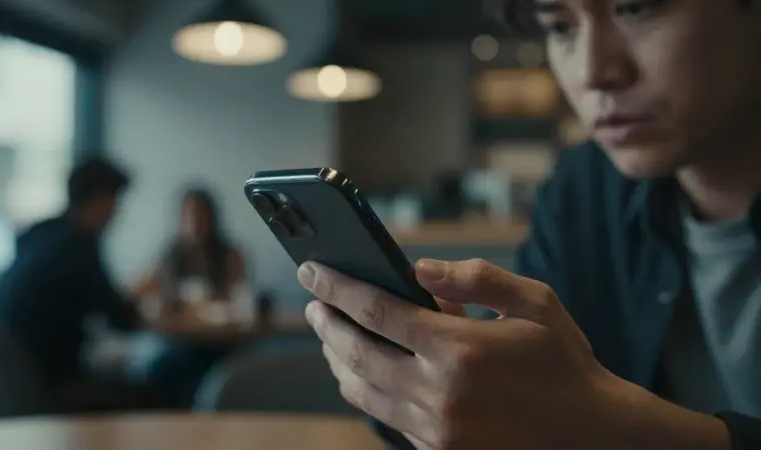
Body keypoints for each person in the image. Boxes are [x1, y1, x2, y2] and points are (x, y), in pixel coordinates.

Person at [296, 1, 761, 449]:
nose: (593, 72)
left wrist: (620, 432)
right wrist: (431, 394)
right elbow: (528, 405)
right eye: (560, 27)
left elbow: (583, 424)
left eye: (636, 8)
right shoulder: (586, 189)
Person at [0, 158, 139, 388]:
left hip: (1, 374)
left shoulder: (40, 234)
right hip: (46, 379)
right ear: (99, 200)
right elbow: (121, 320)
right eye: (114, 202)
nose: (116, 213)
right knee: (149, 391)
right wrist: (137, 293)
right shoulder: (78, 247)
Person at [133, 187, 246, 407]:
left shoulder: (228, 256)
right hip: (179, 341)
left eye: (200, 214)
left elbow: (239, 297)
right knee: (162, 371)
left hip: (220, 342)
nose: (194, 222)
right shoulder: (170, 255)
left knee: (201, 376)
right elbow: (140, 289)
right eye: (187, 215)